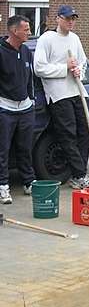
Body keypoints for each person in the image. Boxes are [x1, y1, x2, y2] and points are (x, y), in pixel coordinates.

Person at [34, 5, 89, 189]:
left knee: (84, 132)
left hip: (76, 90)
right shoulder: (47, 39)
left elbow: (82, 62)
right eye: (67, 18)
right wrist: (64, 68)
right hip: (58, 94)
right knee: (68, 134)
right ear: (58, 19)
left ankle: (80, 171)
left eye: (73, 19)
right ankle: (79, 174)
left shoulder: (75, 39)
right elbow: (39, 68)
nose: (71, 22)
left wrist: (79, 71)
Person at [0, 15, 35, 204]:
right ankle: (3, 186)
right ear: (15, 31)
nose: (29, 32)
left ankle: (28, 182)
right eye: (26, 29)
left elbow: (30, 78)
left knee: (25, 147)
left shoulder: (27, 51)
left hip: (26, 109)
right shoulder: (1, 51)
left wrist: (31, 99)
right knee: (3, 149)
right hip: (5, 108)